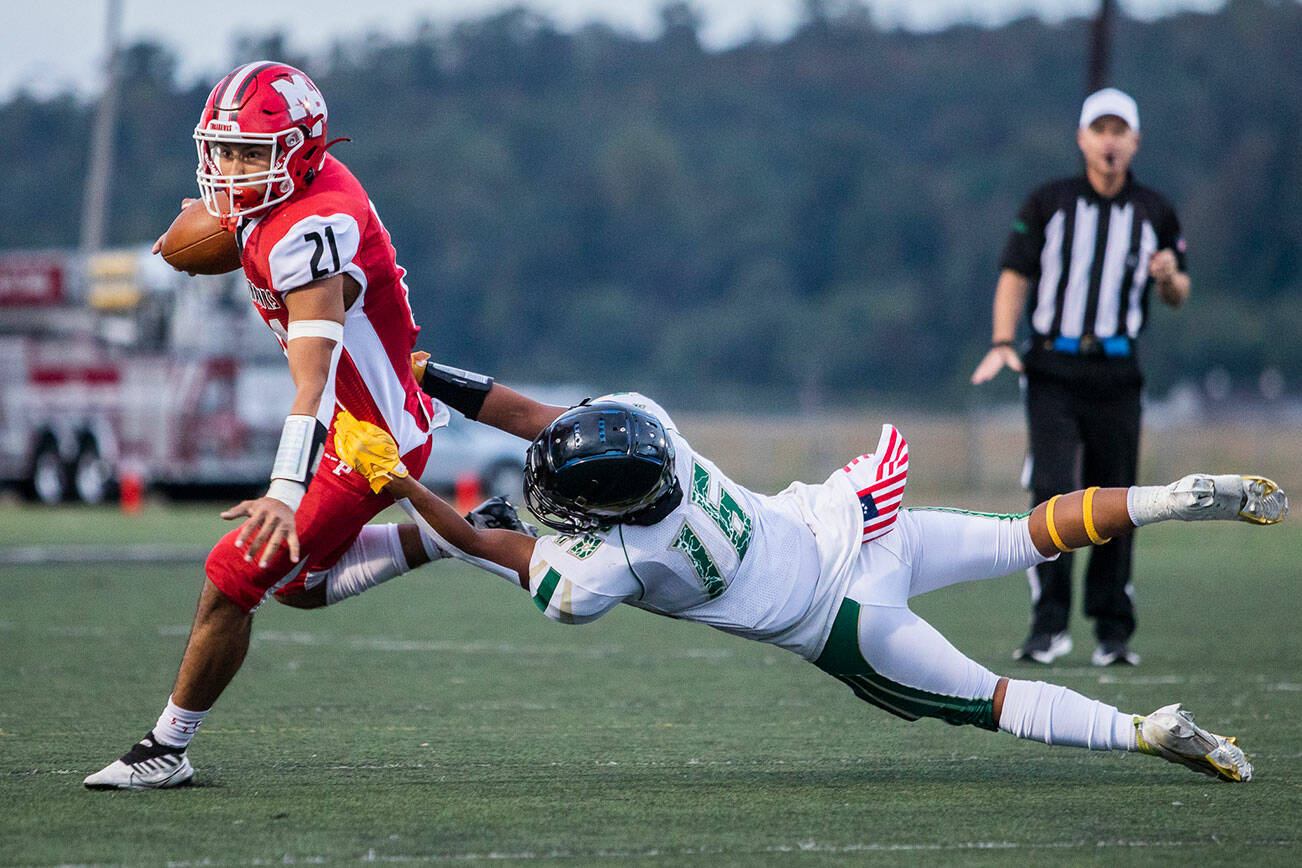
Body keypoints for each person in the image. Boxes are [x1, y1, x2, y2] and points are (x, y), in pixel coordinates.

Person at [330, 373, 1285, 784]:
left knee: (998, 701)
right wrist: (427, 373)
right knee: (1029, 534)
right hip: (858, 519)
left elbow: (482, 540)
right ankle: (1170, 496)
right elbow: (538, 414)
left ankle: (1142, 731)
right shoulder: (652, 425)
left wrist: (399, 476)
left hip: (845, 622)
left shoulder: (615, 563)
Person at [84, 62, 535, 790]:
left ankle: (166, 748)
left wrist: (284, 490)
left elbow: (312, 376)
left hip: (370, 437)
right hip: (355, 423)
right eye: (223, 150)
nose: (231, 168)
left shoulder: (310, 227)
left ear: (300, 150)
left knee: (231, 577)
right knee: (296, 585)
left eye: (251, 154)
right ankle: (458, 535)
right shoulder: (290, 195)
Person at [970, 87, 1192, 667]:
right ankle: (1048, 625)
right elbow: (1014, 274)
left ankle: (1113, 630)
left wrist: (1167, 276)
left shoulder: (1155, 212)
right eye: (1101, 129)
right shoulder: (1049, 202)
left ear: (1135, 141)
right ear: (1083, 138)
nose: (1110, 140)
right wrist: (1001, 341)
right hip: (1053, 366)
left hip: (1117, 370)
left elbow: (1178, 292)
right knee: (1050, 489)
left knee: (1119, 497)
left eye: (1120, 130)